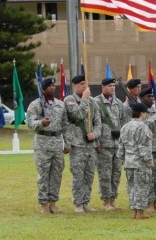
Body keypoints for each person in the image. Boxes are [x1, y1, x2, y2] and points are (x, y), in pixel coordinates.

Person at [26, 77, 69, 214]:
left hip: (57, 143)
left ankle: (53, 203)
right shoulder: (36, 105)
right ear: (43, 89)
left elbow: (65, 126)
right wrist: (40, 123)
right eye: (49, 86)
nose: (52, 88)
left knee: (56, 174)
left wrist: (67, 143)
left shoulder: (60, 104)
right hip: (42, 143)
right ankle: (43, 204)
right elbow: (30, 124)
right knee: (44, 175)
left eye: (54, 86)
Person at [63, 75, 101, 213]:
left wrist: (95, 134)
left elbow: (98, 122)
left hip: (90, 144)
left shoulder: (93, 102)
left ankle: (86, 202)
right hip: (77, 144)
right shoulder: (70, 100)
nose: (84, 86)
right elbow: (76, 116)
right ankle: (78, 203)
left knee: (89, 175)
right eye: (81, 84)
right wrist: (84, 99)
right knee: (78, 175)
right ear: (74, 86)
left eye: (85, 84)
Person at [94, 77, 128, 211]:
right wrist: (96, 142)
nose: (112, 88)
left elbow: (123, 123)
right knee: (105, 174)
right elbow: (93, 124)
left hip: (117, 145)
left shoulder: (118, 103)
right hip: (104, 144)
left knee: (116, 174)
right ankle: (106, 201)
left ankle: (113, 199)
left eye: (114, 86)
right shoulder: (96, 102)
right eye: (109, 86)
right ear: (103, 87)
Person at [118, 102, 154, 219]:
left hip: (129, 162)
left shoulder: (125, 126)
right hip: (140, 162)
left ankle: (134, 211)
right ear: (142, 113)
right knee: (142, 187)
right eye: (145, 113)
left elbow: (121, 146)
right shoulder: (143, 127)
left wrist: (123, 158)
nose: (146, 115)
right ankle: (140, 212)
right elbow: (143, 147)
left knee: (132, 187)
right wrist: (149, 160)